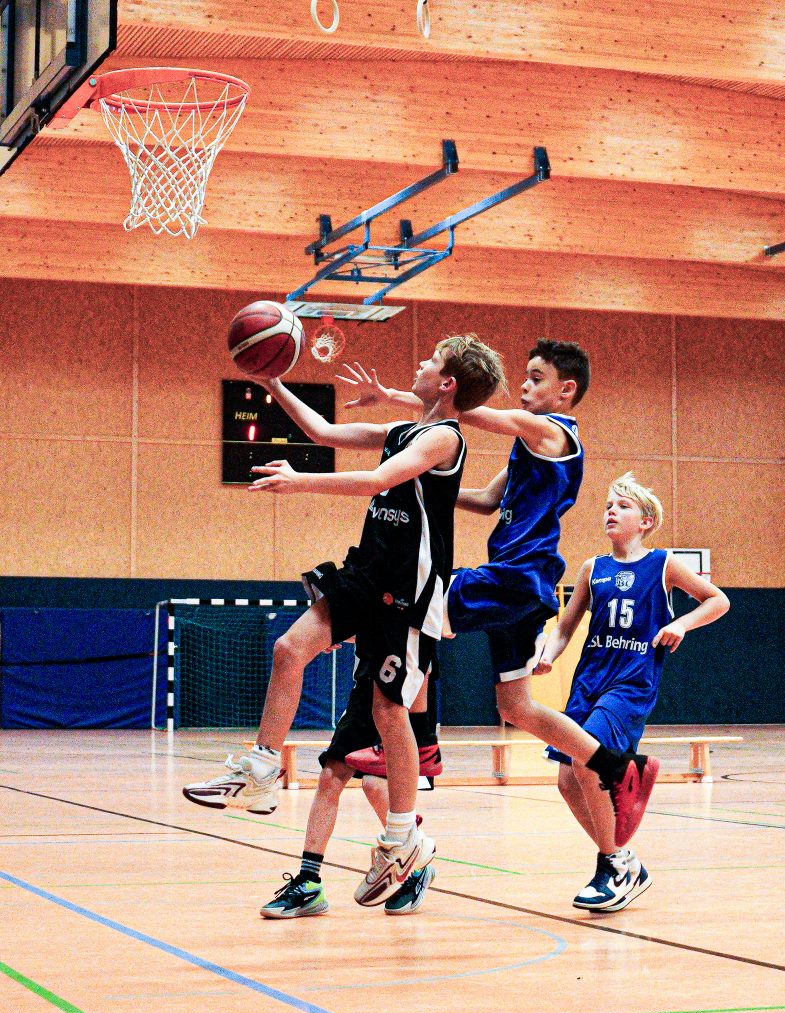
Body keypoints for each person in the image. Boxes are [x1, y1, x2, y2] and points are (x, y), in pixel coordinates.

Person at [183, 334, 506, 906]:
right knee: (289, 648)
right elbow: (324, 433)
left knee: (388, 710)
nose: (420, 363)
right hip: (366, 571)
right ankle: (261, 769)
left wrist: (300, 481)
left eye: (431, 360)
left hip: (407, 589)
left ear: (448, 382)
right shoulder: (405, 428)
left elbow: (376, 481)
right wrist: (272, 383)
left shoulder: (444, 438)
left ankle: (402, 837)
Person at [338, 340, 658, 846]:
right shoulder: (531, 446)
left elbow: (467, 409)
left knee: (417, 606)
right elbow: (488, 499)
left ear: (566, 390)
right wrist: (427, 485)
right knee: (517, 708)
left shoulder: (553, 430)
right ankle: (619, 768)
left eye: (535, 378)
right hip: (524, 586)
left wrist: (399, 397)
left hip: (516, 576)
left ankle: (421, 743)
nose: (524, 386)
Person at [534, 472, 729, 912]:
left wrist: (681, 624)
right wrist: (548, 654)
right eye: (608, 505)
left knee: (588, 761)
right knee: (567, 781)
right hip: (588, 682)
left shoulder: (662, 564)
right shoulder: (592, 569)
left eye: (622, 505)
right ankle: (623, 862)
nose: (611, 511)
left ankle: (612, 866)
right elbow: (565, 628)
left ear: (645, 521)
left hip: (630, 683)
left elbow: (718, 600)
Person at [260, 672, 439, 919]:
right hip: (367, 688)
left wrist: (419, 726)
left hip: (404, 694)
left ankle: (416, 867)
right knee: (330, 777)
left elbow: (425, 657)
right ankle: (309, 882)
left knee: (374, 785)